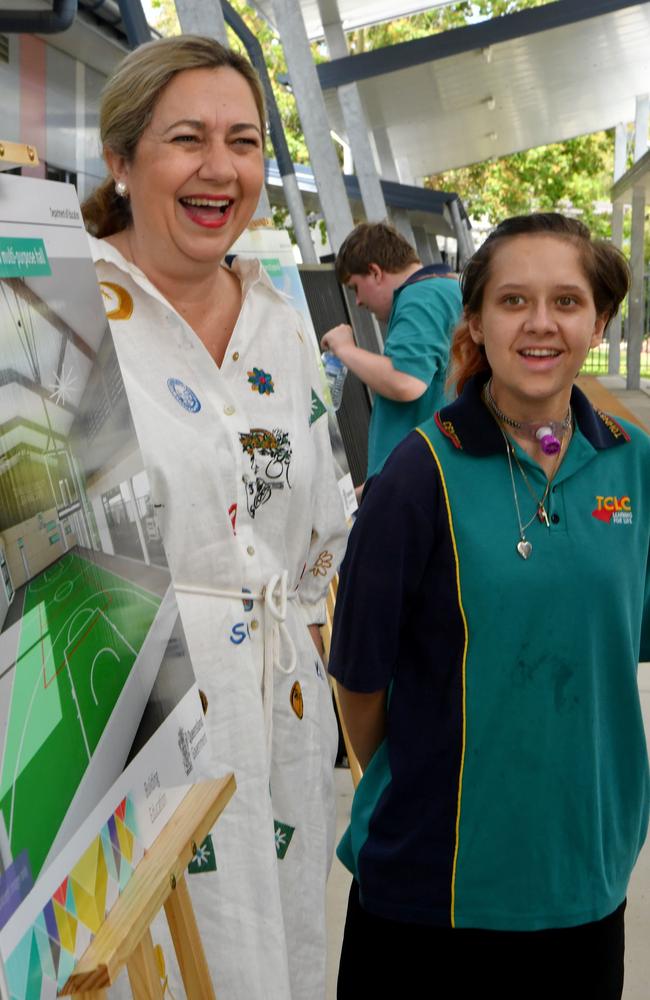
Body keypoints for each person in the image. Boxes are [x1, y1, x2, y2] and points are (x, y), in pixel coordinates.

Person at [82, 36, 348, 1000]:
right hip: (130, 731)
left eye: (243, 142)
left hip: (279, 715)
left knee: (276, 953)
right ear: (121, 160)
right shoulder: (56, 310)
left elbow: (322, 529)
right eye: (186, 138)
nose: (220, 168)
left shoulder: (281, 317)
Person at [329, 213, 649, 1000]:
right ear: (475, 318)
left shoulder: (633, 464)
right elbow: (360, 682)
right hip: (434, 890)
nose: (541, 324)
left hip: (581, 876)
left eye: (567, 302)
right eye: (513, 301)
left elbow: (612, 654)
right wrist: (425, 785)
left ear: (599, 320)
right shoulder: (416, 475)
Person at [321, 222, 462, 481]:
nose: (358, 301)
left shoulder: (421, 296)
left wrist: (344, 349)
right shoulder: (447, 290)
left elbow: (405, 381)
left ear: (375, 272)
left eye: (355, 287)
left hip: (418, 485)